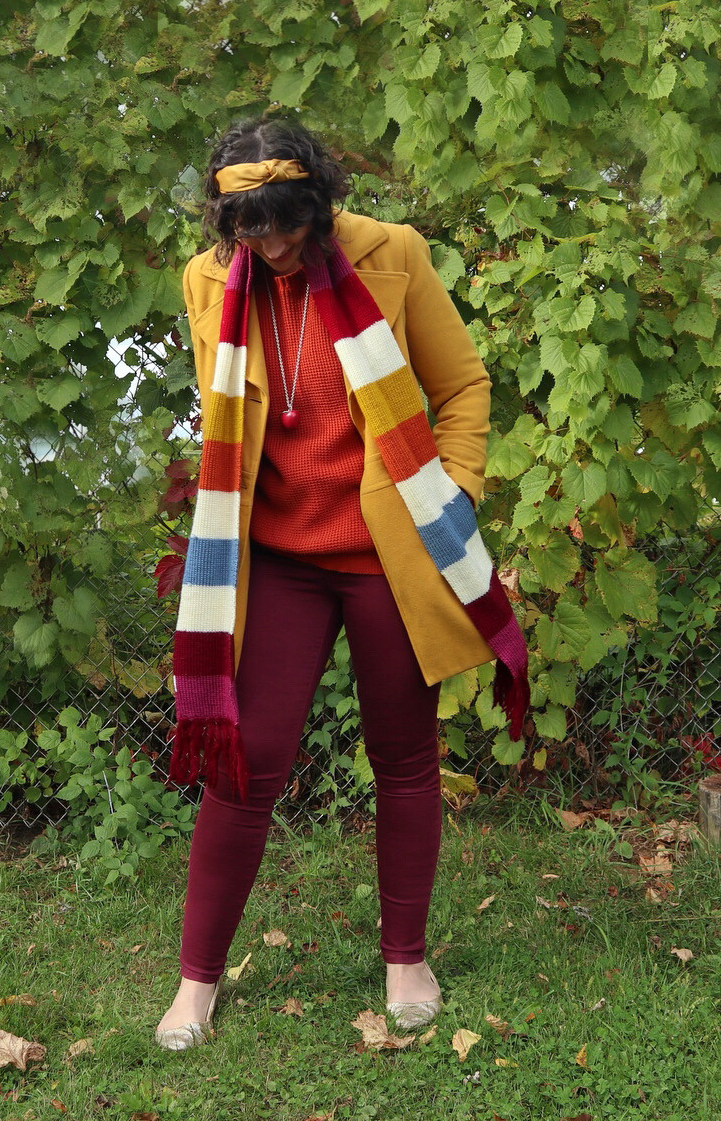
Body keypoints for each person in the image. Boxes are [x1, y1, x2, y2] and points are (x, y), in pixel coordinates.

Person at [155, 118, 529, 1050]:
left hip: (386, 556)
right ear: (225, 221)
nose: (274, 246)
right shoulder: (207, 280)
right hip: (277, 559)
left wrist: (452, 498)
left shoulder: (390, 254)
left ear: (320, 202)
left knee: (403, 759)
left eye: (287, 223)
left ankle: (405, 955)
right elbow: (227, 426)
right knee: (244, 768)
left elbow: (464, 386)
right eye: (252, 229)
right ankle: (196, 983)